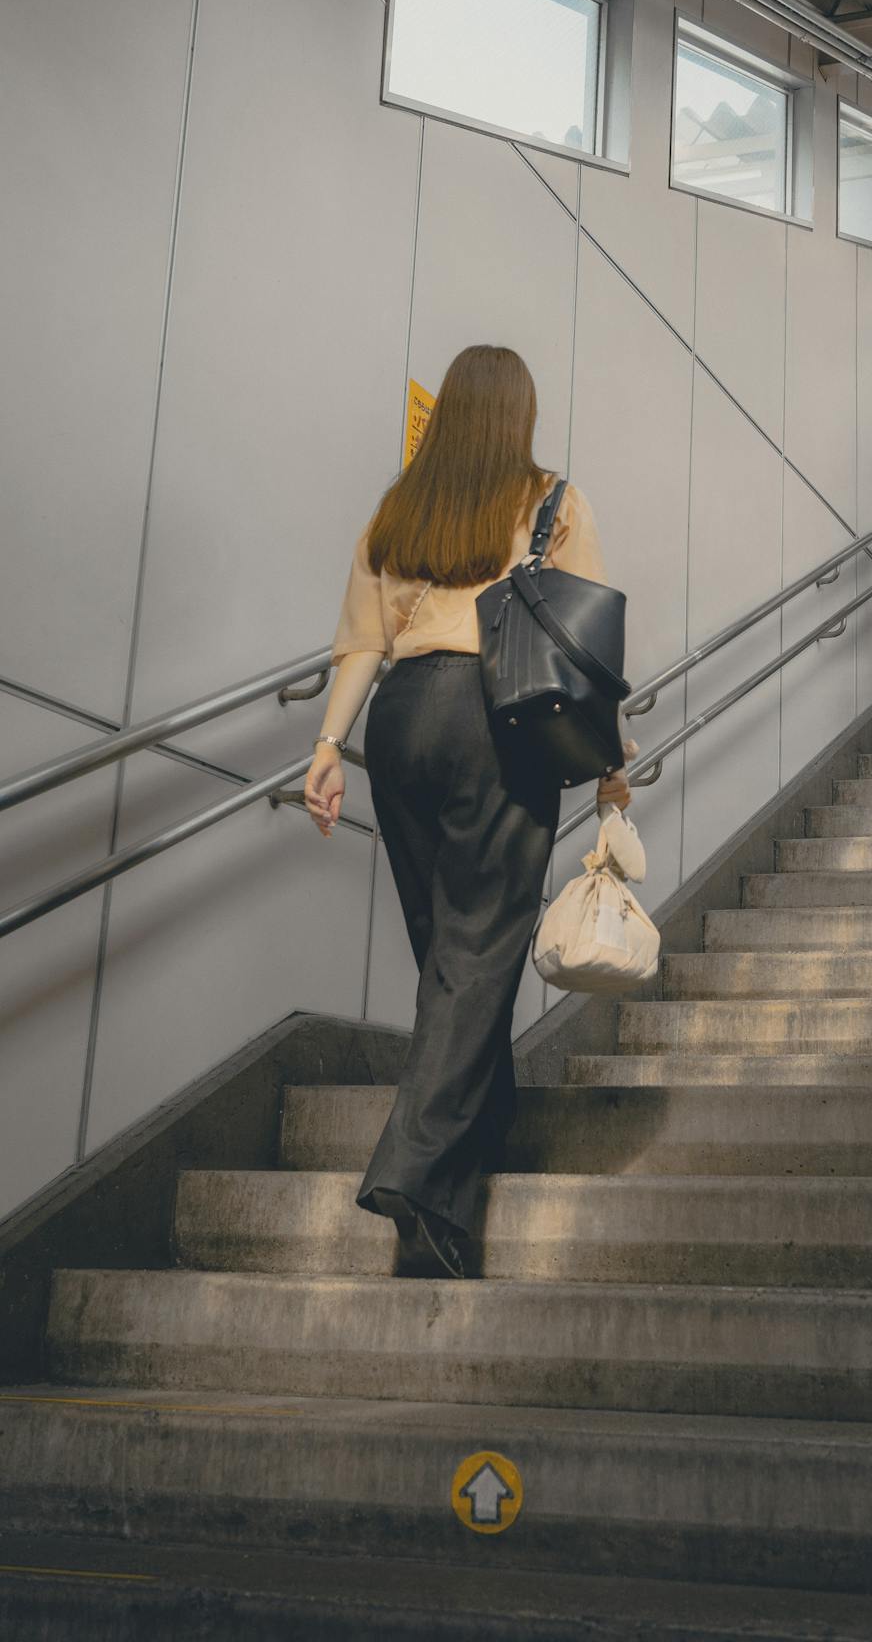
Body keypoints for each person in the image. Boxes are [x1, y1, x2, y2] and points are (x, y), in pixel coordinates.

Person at [302, 344, 630, 1278]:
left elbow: (360, 643)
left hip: (400, 724)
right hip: (498, 719)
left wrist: (328, 748)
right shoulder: (555, 501)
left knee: (446, 945)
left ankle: (472, 1156)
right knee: (479, 948)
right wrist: (610, 761)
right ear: (519, 415)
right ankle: (412, 1169)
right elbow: (585, 644)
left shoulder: (400, 508)